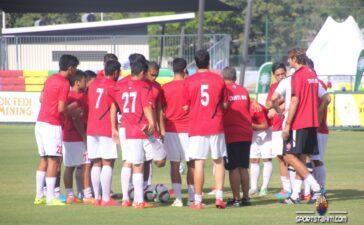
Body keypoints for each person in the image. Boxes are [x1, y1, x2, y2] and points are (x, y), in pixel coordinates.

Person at [272, 48, 328, 204]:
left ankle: (316, 188)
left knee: (289, 156)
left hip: (299, 122)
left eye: (290, 59)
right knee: (302, 159)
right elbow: (325, 98)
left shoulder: (298, 75)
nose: (289, 62)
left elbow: (295, 100)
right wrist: (317, 115)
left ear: (295, 58)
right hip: (311, 123)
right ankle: (295, 195)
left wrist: (287, 124)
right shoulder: (312, 75)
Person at [184, 50, 228, 210]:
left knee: (199, 163)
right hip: (216, 124)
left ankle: (197, 201)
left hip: (197, 126)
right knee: (218, 160)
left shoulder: (189, 81)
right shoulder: (219, 79)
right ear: (209, 61)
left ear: (195, 62)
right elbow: (225, 104)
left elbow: (186, 106)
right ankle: (219, 198)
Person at [34, 54, 79, 206]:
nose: (75, 71)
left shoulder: (50, 78)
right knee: (54, 160)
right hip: (52, 124)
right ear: (70, 68)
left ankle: (39, 196)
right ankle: (51, 198)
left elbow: (41, 99)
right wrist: (71, 111)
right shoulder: (64, 83)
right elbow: (61, 108)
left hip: (40, 122)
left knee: (44, 160)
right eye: (75, 68)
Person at [110, 60, 156, 209]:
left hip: (124, 126)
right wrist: (152, 124)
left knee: (128, 161)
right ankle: (138, 200)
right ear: (142, 72)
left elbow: (113, 106)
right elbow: (147, 107)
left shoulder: (120, 85)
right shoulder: (143, 86)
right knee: (139, 164)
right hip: (138, 128)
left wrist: (114, 127)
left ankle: (125, 198)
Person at [87, 60, 120, 206]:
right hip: (105, 127)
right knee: (107, 162)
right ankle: (106, 199)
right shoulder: (113, 86)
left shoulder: (93, 84)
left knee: (96, 163)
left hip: (91, 127)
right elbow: (114, 107)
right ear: (115, 73)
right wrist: (114, 129)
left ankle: (97, 197)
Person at [162, 58, 194, 207]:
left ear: (172, 70)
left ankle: (179, 199)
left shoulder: (165, 88)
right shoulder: (190, 86)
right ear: (184, 69)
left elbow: (161, 111)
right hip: (188, 129)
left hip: (170, 129)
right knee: (192, 164)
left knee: (174, 165)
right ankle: (193, 197)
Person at [221, 66, 252, 207]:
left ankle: (236, 199)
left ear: (223, 78)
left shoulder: (225, 91)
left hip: (231, 133)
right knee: (244, 167)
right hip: (246, 132)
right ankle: (246, 198)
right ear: (235, 77)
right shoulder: (244, 90)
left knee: (233, 167)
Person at [61, 70, 90, 204]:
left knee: (70, 166)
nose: (86, 82)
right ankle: (87, 195)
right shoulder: (75, 97)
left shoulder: (71, 96)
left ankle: (71, 195)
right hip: (75, 136)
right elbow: (76, 119)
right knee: (85, 165)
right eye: (84, 80)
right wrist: (84, 136)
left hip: (68, 136)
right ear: (78, 82)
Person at [265, 62, 291, 200]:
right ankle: (285, 188)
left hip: (288, 126)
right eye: (278, 75)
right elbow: (268, 105)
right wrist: (279, 104)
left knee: (291, 157)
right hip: (276, 127)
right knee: (281, 158)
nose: (281, 76)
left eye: (283, 73)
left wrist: (277, 105)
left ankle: (289, 188)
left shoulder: (291, 84)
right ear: (274, 76)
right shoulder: (273, 87)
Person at [143, 61, 166, 188]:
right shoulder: (140, 85)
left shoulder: (157, 87)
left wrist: (162, 129)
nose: (154, 78)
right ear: (145, 72)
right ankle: (142, 187)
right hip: (139, 128)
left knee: (159, 160)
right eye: (152, 75)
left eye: (156, 75)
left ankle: (146, 186)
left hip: (153, 129)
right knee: (141, 161)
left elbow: (159, 110)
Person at [249, 100, 273, 197]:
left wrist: (250, 125)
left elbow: (265, 125)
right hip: (254, 132)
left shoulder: (256, 108)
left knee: (266, 159)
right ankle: (254, 187)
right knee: (254, 159)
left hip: (266, 131)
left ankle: (264, 187)